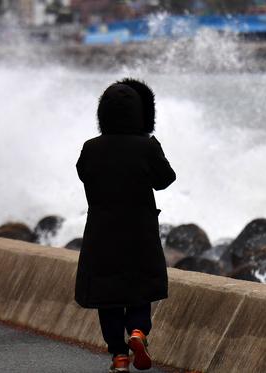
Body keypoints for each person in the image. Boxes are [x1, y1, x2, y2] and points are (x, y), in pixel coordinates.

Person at [75, 79, 176, 372]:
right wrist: (151, 142)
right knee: (139, 290)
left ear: (103, 115)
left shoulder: (91, 149)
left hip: (102, 235)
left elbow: (84, 175)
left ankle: (119, 356)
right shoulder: (145, 147)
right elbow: (166, 180)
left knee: (108, 299)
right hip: (139, 233)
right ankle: (138, 332)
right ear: (140, 115)